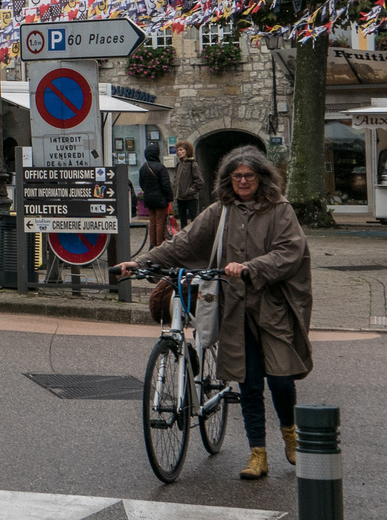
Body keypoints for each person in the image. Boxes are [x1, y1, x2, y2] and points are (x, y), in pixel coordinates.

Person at [120, 145, 313, 480]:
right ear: (227, 179)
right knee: (249, 383)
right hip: (235, 309)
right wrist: (142, 261)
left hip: (272, 308)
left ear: (261, 177)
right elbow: (185, 242)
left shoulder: (279, 210)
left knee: (281, 379)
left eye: (249, 175)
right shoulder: (221, 210)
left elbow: (290, 251)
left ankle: (290, 433)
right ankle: (258, 454)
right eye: (236, 176)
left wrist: (252, 267)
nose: (242, 181)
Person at [138, 142, 173, 250]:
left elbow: (141, 184)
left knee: (152, 222)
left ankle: (152, 244)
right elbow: (166, 184)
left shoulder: (143, 167)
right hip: (160, 199)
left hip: (149, 199)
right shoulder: (160, 167)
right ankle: (159, 246)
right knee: (160, 222)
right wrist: (169, 197)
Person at [174, 140, 203, 227]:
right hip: (180, 198)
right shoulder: (179, 165)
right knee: (182, 221)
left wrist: (189, 191)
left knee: (194, 221)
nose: (179, 152)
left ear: (187, 151)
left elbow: (199, 182)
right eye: (178, 150)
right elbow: (176, 180)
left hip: (191, 198)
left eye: (181, 150)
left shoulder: (192, 165)